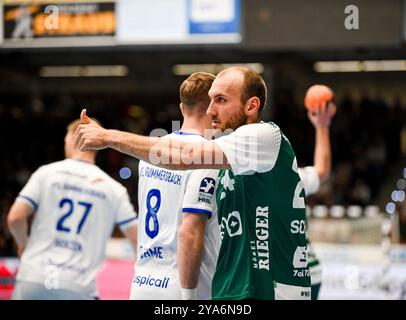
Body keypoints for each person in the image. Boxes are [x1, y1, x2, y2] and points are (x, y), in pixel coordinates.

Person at [74, 66, 311, 300]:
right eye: (209, 101)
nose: (211, 110)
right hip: (233, 289)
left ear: (251, 106)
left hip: (273, 289)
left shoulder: (264, 136)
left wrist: (108, 136)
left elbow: (184, 158)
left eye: (220, 100)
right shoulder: (228, 156)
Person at [7, 118, 138, 300]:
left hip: (33, 277)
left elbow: (15, 218)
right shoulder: (114, 189)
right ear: (97, 144)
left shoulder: (46, 173)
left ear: (71, 139)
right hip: (78, 286)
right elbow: (137, 238)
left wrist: (23, 245)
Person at [130, 72, 220, 300]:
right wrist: (188, 296)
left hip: (142, 283)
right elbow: (189, 232)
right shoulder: (207, 157)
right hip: (182, 287)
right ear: (212, 108)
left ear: (182, 108)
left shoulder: (149, 153)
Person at [297, 101, 336, 300]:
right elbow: (322, 170)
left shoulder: (251, 182)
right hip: (310, 270)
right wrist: (322, 126)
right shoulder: (294, 177)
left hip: (287, 276)